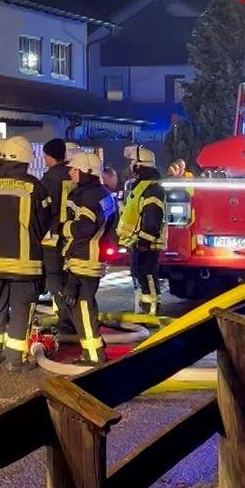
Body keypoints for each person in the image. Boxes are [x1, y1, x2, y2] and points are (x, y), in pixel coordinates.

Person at [0, 136, 51, 371]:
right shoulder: (34, 186)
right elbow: (44, 220)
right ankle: (15, 360)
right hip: (25, 263)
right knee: (20, 309)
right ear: (25, 158)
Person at [61, 151, 111, 365]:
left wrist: (63, 228)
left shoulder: (87, 196)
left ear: (86, 172)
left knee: (81, 305)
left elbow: (85, 227)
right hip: (93, 257)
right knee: (84, 304)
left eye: (74, 169)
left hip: (84, 259)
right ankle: (95, 349)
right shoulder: (102, 193)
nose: (70, 172)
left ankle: (93, 355)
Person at [116, 145, 167, 318]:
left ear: (140, 165)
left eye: (132, 162)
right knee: (139, 274)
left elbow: (152, 218)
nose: (131, 166)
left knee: (148, 275)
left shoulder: (152, 189)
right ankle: (143, 308)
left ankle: (151, 309)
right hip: (137, 242)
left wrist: (144, 241)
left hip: (146, 244)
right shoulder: (140, 186)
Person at [38, 139, 78, 343]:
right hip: (71, 236)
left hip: (52, 237)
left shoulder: (49, 179)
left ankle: (65, 321)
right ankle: (71, 318)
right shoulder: (73, 174)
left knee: (55, 280)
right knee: (69, 278)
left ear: (49, 155)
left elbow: (43, 210)